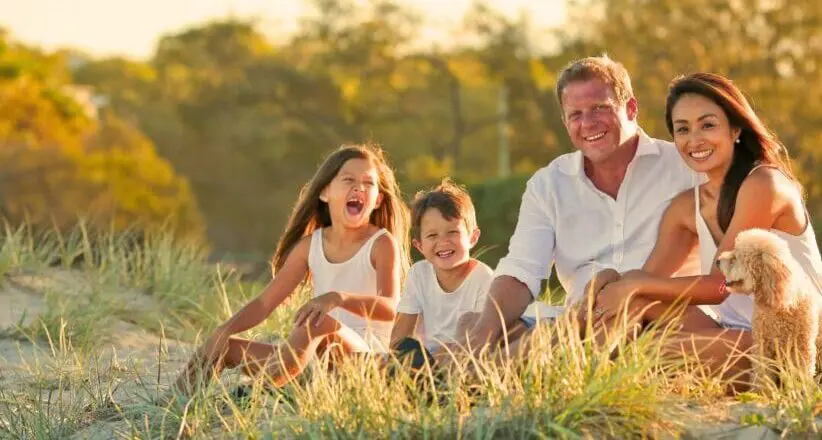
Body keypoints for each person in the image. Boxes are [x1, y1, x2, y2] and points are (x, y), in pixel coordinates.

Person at [588, 73, 822, 384]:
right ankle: (572, 366)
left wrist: (632, 285)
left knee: (646, 350)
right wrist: (617, 286)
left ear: (735, 129)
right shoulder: (686, 207)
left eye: (707, 125)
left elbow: (719, 286)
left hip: (788, 343)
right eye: (683, 129)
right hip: (729, 331)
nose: (694, 139)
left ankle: (591, 375)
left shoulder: (763, 184)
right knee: (634, 304)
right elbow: (649, 282)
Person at [462, 55, 704, 351]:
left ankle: (471, 373)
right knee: (474, 323)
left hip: (658, 316)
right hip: (578, 320)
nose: (587, 123)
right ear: (565, 122)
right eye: (575, 115)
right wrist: (481, 335)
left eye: (600, 108)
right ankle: (457, 372)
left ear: (631, 108)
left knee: (545, 339)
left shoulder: (685, 167)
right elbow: (522, 271)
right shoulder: (548, 184)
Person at [173, 144, 410, 395]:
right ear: (324, 192)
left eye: (369, 183)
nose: (359, 187)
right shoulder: (310, 246)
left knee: (316, 323)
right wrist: (224, 330)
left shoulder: (381, 243)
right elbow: (264, 303)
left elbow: (389, 308)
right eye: (348, 179)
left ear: (378, 200)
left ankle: (257, 393)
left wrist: (337, 298)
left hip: (362, 358)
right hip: (306, 362)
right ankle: (168, 406)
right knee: (223, 344)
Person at [390, 179, 530, 354]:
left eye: (453, 232)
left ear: (473, 237)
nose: (443, 242)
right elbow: (400, 332)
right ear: (420, 246)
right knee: (403, 351)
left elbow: (483, 339)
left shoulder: (483, 279)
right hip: (432, 357)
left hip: (468, 355)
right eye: (432, 235)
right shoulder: (419, 274)